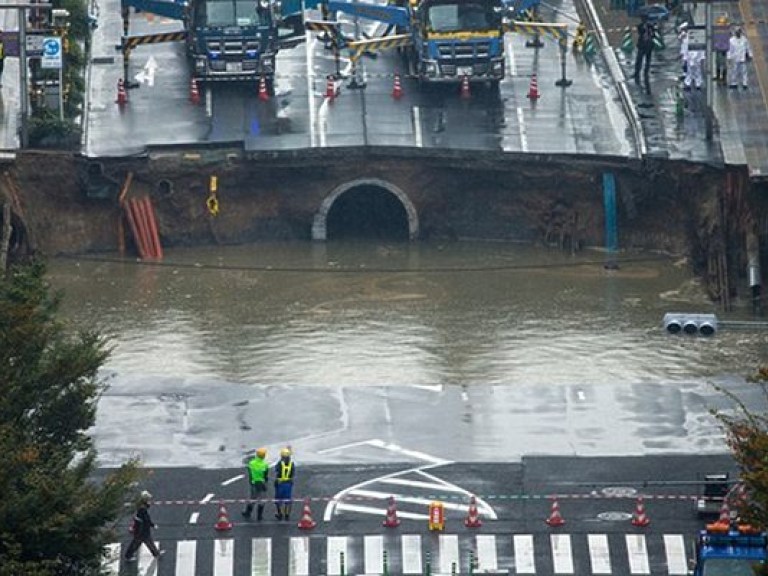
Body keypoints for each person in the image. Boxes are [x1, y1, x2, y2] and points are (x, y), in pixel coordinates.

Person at [125, 491, 164, 561]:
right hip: (142, 530)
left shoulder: (140, 507)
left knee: (143, 542)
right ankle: (128, 556)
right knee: (141, 543)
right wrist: (153, 525)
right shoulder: (143, 509)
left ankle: (156, 553)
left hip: (139, 529)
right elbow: (146, 520)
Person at [242, 447, 269, 521]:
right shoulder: (265, 465)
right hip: (262, 483)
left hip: (253, 483)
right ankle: (259, 516)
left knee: (253, 498)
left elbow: (249, 471)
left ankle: (248, 512)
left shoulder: (252, 463)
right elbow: (266, 475)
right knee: (262, 499)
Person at [274, 447, 295, 520]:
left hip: (280, 483)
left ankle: (279, 513)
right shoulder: (291, 464)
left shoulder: (279, 464)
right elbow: (292, 474)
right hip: (288, 483)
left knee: (278, 499)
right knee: (288, 499)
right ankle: (287, 514)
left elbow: (276, 471)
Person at [634, 17, 656, 83]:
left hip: (649, 46)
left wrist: (651, 32)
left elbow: (653, 35)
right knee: (639, 60)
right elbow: (640, 32)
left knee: (648, 61)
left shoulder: (650, 26)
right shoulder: (640, 26)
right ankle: (637, 73)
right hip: (642, 46)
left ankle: (646, 72)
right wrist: (644, 29)